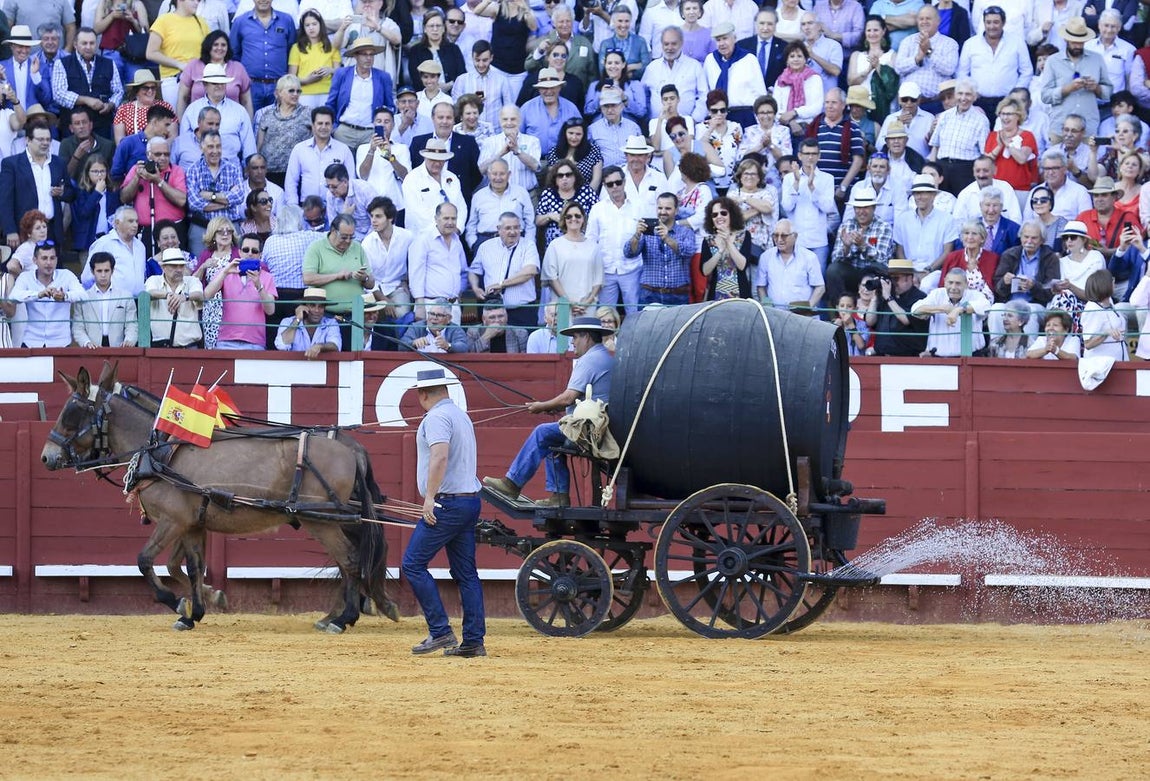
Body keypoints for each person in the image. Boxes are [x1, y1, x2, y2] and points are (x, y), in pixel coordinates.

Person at [483, 315, 614, 508]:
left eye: (575, 337)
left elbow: (569, 398)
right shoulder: (604, 356)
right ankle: (558, 496)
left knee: (543, 432)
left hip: (590, 430)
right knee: (552, 440)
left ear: (586, 337)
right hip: (599, 427)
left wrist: (541, 406)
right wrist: (548, 406)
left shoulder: (590, 360)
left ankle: (513, 483)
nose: (572, 342)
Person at [402, 367, 485, 658]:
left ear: (423, 394)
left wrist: (429, 498)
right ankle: (474, 641)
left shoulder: (436, 417)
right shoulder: (461, 416)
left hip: (446, 504)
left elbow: (439, 456)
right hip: (469, 500)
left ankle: (440, 631)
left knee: (412, 564)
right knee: (466, 573)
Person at [0, 122, 73, 249]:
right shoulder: (11, 164)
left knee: (54, 268)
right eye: (40, 139)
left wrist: (62, 192)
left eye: (48, 139)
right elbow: (5, 200)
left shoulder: (59, 163)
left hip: (52, 230)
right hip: (24, 231)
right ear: (27, 140)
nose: (45, 143)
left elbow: (71, 193)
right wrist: (10, 230)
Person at [2, 239, 84, 347]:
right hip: (32, 341)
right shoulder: (25, 277)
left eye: (52, 258)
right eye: (44, 258)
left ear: (56, 260)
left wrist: (65, 296)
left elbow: (83, 296)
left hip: (60, 342)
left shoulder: (66, 275)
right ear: (35, 260)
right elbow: (14, 296)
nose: (49, 263)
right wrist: (38, 294)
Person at [202, 233, 277, 350]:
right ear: (240, 252)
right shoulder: (227, 271)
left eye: (255, 251)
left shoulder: (267, 277)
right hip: (226, 340)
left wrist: (259, 285)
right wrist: (225, 272)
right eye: (246, 250)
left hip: (255, 342)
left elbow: (270, 310)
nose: (250, 254)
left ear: (260, 255)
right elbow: (206, 295)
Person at [1041, 17, 1112, 139]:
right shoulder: (1053, 61)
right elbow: (1045, 96)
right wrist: (1067, 89)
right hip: (1060, 127)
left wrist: (1096, 88)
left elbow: (1108, 92)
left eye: (1081, 42)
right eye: (1074, 42)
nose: (1078, 46)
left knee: (1089, 158)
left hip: (1087, 127)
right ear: (1066, 39)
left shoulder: (1097, 59)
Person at [468, 210, 538, 328]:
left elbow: (530, 271)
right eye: (508, 228)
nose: (513, 232)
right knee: (494, 346)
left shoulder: (528, 245)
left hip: (522, 312)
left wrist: (502, 284)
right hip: (493, 312)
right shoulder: (485, 247)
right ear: (498, 229)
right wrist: (475, 288)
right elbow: (474, 271)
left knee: (523, 346)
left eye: (516, 227)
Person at [120, 135, 187, 256]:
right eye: (158, 154)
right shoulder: (137, 169)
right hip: (145, 230)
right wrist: (137, 177)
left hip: (172, 232)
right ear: (148, 155)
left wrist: (158, 181)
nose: (163, 158)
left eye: (166, 154)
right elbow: (124, 197)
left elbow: (181, 200)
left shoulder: (177, 171)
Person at [51, 28, 124, 137]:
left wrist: (110, 105)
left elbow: (118, 91)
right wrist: (86, 100)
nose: (88, 47)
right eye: (84, 43)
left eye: (92, 43)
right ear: (75, 45)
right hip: (72, 129)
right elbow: (59, 94)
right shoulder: (62, 63)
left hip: (101, 126)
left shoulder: (109, 63)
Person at [626, 191, 695, 305]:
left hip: (678, 294)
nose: (663, 212)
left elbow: (688, 251)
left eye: (668, 208)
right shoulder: (646, 232)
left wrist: (667, 238)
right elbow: (629, 253)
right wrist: (637, 235)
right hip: (649, 293)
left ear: (676, 210)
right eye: (660, 208)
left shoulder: (685, 232)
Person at [828, 187, 894, 305]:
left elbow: (882, 260)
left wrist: (864, 246)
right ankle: (839, 311)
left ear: (874, 208)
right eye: (858, 207)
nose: (861, 211)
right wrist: (846, 248)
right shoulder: (847, 225)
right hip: (852, 272)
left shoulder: (884, 227)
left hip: (873, 273)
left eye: (866, 207)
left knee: (877, 268)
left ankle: (875, 311)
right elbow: (835, 259)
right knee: (833, 270)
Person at [229, 0, 297, 112]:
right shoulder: (240, 22)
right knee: (251, 125)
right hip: (251, 86)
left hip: (279, 85)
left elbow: (292, 50)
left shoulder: (286, 20)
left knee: (279, 126)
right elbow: (234, 53)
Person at [185, 130, 245, 254]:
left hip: (230, 228)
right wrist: (226, 202)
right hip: (202, 227)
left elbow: (239, 197)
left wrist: (210, 196)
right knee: (200, 267)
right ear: (201, 147)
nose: (215, 151)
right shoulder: (193, 170)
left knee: (233, 267)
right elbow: (194, 203)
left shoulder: (233, 169)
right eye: (210, 147)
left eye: (218, 146)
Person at [781, 138, 836, 269]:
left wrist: (812, 187)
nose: (810, 157)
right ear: (800, 155)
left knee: (818, 282)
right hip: (795, 241)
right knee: (794, 281)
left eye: (814, 154)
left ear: (819, 156)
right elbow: (787, 206)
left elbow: (828, 207)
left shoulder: (827, 178)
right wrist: (796, 183)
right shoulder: (789, 178)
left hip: (818, 241)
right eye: (807, 154)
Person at [893, 172, 958, 284]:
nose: (919, 197)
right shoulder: (903, 219)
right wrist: (910, 272)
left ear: (933, 195)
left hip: (935, 271)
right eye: (917, 193)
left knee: (926, 285)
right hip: (907, 271)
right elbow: (900, 250)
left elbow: (947, 251)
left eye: (924, 193)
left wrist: (929, 270)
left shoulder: (947, 219)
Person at [911, 266, 990, 356]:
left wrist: (959, 310)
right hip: (939, 358)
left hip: (972, 357)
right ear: (944, 282)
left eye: (958, 283)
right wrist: (944, 308)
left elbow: (986, 306)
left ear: (966, 284)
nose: (953, 287)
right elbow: (915, 310)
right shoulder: (937, 294)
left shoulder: (975, 295)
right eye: (950, 283)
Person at [927, 79, 988, 195]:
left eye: (968, 94)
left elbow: (983, 153)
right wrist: (930, 171)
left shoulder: (981, 120)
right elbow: (935, 146)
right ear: (955, 95)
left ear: (974, 97)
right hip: (942, 168)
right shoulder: (944, 116)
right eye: (960, 94)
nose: (963, 98)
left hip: (965, 171)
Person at [284, 106, 354, 208]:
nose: (324, 127)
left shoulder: (343, 150)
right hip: (307, 207)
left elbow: (351, 180)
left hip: (337, 205)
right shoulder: (299, 149)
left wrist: (347, 205)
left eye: (327, 124)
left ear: (332, 126)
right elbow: (291, 181)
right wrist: (294, 207)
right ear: (313, 125)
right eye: (320, 123)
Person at [176, 30, 253, 120]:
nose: (220, 48)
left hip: (231, 121)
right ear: (208, 46)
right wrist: (182, 123)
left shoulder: (238, 68)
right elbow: (183, 97)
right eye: (215, 44)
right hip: (198, 121)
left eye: (223, 45)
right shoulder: (193, 65)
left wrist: (248, 125)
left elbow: (246, 101)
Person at [145, 0, 209, 107]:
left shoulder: (201, 22)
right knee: (175, 120)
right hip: (173, 79)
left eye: (198, 0)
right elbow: (151, 53)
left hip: (199, 79)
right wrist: (179, 64)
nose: (197, 3)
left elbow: (209, 49)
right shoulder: (164, 20)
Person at [400, 137, 467, 238]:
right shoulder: (412, 179)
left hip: (452, 236)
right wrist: (442, 231)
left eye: (440, 160)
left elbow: (461, 206)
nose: (437, 163)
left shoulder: (452, 177)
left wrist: (457, 229)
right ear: (425, 157)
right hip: (422, 238)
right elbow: (417, 213)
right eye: (433, 159)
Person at [702, 22, 765, 129]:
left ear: (734, 38)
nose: (722, 43)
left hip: (744, 115)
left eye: (725, 38)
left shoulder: (749, 59)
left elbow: (760, 93)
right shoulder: (710, 60)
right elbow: (706, 90)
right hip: (718, 114)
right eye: (718, 40)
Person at [542, 200, 600, 312]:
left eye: (577, 216)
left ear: (583, 219)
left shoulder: (594, 246)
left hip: (587, 307)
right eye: (569, 216)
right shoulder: (554, 246)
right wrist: (568, 302)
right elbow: (551, 278)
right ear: (564, 219)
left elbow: (598, 279)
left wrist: (587, 303)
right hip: (562, 306)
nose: (573, 219)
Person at [71, 252, 139, 348]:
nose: (103, 275)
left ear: (112, 270)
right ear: (92, 271)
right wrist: (86, 343)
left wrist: (129, 340)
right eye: (99, 271)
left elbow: (132, 324)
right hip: (91, 349)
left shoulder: (125, 296)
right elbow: (78, 327)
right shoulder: (83, 297)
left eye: (106, 270)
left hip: (119, 348)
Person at [1049, 220, 1106, 332]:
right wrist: (1056, 289)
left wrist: (1070, 287)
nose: (1069, 241)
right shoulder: (1062, 261)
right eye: (1066, 238)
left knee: (1066, 297)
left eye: (1073, 237)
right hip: (1066, 303)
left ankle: (1062, 334)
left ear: (1084, 239)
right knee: (1062, 297)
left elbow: (1095, 295)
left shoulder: (1095, 257)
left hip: (1091, 304)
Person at [644, 26, 708, 125]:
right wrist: (650, 119)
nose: (669, 48)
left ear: (682, 43)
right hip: (658, 128)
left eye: (674, 44)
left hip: (687, 128)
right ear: (661, 44)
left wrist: (694, 120)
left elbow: (704, 95)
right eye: (666, 44)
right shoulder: (652, 68)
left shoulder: (694, 66)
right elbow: (645, 96)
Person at [755, 217, 823, 310]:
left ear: (795, 236)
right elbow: (761, 287)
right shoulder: (766, 257)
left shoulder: (809, 257)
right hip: (775, 316)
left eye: (784, 235)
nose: (779, 239)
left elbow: (820, 287)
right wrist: (768, 308)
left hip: (801, 317)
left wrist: (808, 308)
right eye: (775, 235)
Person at [145, 247, 204, 348]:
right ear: (163, 267)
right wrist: (167, 295)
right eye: (174, 266)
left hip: (190, 347)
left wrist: (184, 297)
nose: (179, 270)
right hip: (162, 348)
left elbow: (199, 295)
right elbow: (148, 293)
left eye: (181, 266)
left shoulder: (192, 281)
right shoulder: (154, 280)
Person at [867, 257, 928, 356]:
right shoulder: (886, 294)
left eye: (895, 279)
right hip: (881, 355)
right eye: (890, 278)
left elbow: (906, 319)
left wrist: (888, 297)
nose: (892, 283)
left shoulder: (920, 298)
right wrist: (875, 297)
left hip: (907, 358)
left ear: (909, 279)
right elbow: (870, 321)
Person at [519, 67, 581, 159]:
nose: (549, 91)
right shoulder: (527, 108)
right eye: (544, 88)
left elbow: (581, 134)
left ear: (559, 88)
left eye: (552, 87)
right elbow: (518, 136)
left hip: (563, 163)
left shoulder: (571, 108)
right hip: (533, 161)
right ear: (539, 89)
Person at [83, 205, 147, 295]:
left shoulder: (140, 246)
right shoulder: (104, 243)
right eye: (130, 221)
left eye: (136, 221)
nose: (135, 225)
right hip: (113, 302)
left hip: (138, 302)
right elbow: (87, 278)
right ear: (117, 223)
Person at [535, 158, 597, 245]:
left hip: (582, 242)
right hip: (555, 246)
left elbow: (598, 214)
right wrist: (550, 216)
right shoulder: (548, 193)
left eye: (568, 175)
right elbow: (538, 220)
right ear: (555, 178)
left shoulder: (586, 191)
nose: (564, 178)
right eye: (560, 175)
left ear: (575, 177)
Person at [289, 9, 341, 109]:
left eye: (314, 24)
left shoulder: (331, 46)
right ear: (303, 28)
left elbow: (340, 72)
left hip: (327, 92)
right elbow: (291, 78)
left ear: (320, 25)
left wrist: (330, 70)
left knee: (325, 123)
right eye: (307, 25)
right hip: (305, 94)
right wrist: (307, 80)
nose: (311, 28)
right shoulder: (297, 48)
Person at [772, 40, 822, 138]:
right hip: (783, 126)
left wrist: (795, 112)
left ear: (805, 59)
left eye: (799, 56)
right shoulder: (781, 80)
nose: (796, 59)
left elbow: (817, 107)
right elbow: (775, 108)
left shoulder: (814, 78)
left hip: (807, 126)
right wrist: (791, 122)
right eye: (792, 56)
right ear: (787, 60)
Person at [274, 285, 341, 356]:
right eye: (312, 305)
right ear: (303, 306)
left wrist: (320, 346)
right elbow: (282, 346)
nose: (317, 310)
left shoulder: (331, 323)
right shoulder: (287, 321)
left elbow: (335, 345)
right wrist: (297, 319)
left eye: (321, 306)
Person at [1079, 269, 1128, 360]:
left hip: (1119, 360)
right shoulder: (1092, 309)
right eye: (1111, 280)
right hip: (1102, 366)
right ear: (1103, 285)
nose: (1114, 281)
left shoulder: (1110, 303)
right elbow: (1088, 344)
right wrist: (1105, 333)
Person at [70, 155, 115, 255]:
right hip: (88, 242)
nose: (99, 175)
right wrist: (97, 193)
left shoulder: (112, 192)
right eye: (95, 171)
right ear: (87, 173)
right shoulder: (81, 192)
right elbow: (84, 213)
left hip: (109, 241)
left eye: (102, 171)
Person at [738, 8, 788, 89]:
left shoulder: (785, 48)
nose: (765, 28)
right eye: (762, 23)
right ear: (756, 24)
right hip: (747, 95)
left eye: (770, 24)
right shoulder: (742, 46)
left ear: (776, 25)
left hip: (774, 96)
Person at [400, 299, 468, 352]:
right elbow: (401, 345)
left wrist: (448, 346)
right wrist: (413, 343)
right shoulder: (417, 327)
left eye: (439, 315)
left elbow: (464, 347)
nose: (434, 318)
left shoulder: (455, 329)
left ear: (448, 319)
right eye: (432, 314)